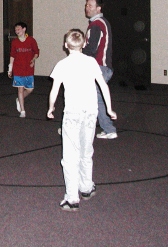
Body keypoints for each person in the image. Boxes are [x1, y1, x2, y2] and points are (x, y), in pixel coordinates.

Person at [47, 29, 117, 211]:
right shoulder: (91, 62)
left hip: (72, 114)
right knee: (87, 151)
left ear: (65, 45)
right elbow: (103, 86)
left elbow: (54, 90)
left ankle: (72, 198)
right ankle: (86, 187)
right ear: (85, 44)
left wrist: (51, 107)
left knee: (70, 156)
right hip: (89, 113)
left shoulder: (62, 64)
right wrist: (109, 109)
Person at [82, 0, 117, 139]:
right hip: (100, 66)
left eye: (90, 5)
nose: (87, 8)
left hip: (99, 67)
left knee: (96, 98)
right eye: (86, 5)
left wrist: (77, 51)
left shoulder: (96, 24)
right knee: (94, 97)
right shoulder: (100, 23)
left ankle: (109, 129)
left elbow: (91, 49)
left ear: (98, 8)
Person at [8, 22, 39, 118]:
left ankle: (19, 100)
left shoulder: (31, 40)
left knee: (30, 89)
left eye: (19, 29)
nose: (17, 31)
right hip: (18, 69)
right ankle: (22, 110)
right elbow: (12, 56)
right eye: (16, 30)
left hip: (28, 69)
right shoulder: (14, 42)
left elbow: (36, 52)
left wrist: (33, 60)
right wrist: (10, 68)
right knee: (20, 89)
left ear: (24, 29)